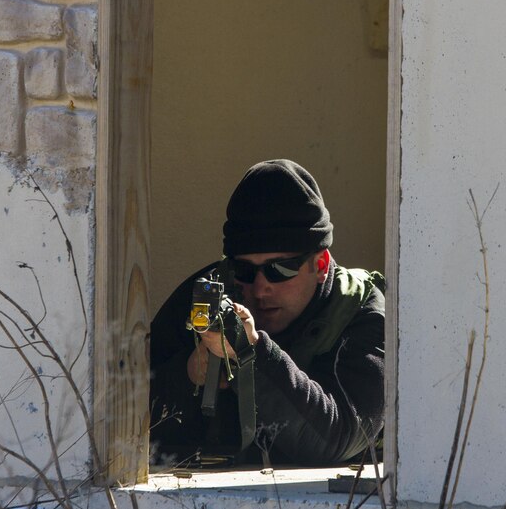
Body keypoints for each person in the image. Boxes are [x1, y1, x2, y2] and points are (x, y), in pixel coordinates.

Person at [149, 159, 385, 467]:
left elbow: (338, 438)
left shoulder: (361, 311)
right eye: (245, 269)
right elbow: (117, 414)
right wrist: (190, 374)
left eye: (280, 269)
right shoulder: (209, 293)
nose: (260, 288)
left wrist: (254, 355)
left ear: (321, 265)